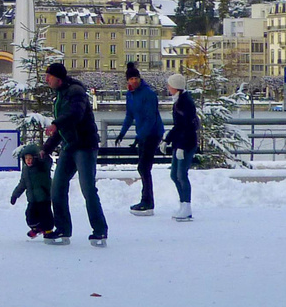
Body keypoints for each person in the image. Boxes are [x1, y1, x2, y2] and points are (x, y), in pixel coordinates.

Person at [41, 62, 108, 247]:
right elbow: (62, 129)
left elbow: (75, 115)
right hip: (70, 146)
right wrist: (45, 149)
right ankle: (63, 229)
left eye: (49, 76)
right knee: (58, 187)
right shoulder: (60, 95)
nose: (46, 79)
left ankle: (100, 230)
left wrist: (56, 123)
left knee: (88, 189)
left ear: (59, 78)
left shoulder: (76, 92)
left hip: (85, 146)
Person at [115, 62, 166, 216]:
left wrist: (139, 137)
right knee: (143, 167)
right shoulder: (130, 95)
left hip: (153, 133)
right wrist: (122, 133)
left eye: (136, 78)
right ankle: (146, 200)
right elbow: (130, 115)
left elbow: (151, 118)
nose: (134, 81)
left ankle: (148, 201)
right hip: (143, 134)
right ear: (127, 81)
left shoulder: (148, 94)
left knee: (144, 167)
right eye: (131, 79)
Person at [163, 74, 198, 221]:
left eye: (170, 85)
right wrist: (167, 140)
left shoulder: (185, 103)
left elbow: (187, 127)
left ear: (176, 86)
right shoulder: (178, 101)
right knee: (174, 175)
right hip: (179, 143)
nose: (168, 87)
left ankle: (187, 206)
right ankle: (183, 203)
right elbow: (178, 126)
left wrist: (182, 147)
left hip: (186, 144)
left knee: (181, 175)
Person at [9, 142, 54, 238]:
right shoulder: (25, 170)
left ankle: (48, 230)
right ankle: (37, 228)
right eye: (26, 159)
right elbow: (22, 184)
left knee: (45, 215)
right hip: (32, 199)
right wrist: (15, 195)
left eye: (30, 159)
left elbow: (48, 161)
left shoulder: (42, 167)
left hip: (43, 197)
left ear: (35, 158)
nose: (28, 161)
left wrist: (43, 156)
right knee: (30, 216)